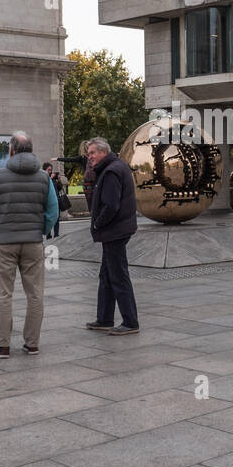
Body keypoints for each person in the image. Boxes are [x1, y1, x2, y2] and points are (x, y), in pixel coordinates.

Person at [0, 131, 58, 358]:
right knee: (35, 294)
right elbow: (53, 211)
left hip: (4, 243)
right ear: (32, 150)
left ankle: (3, 345)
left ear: (12, 150)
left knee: (3, 295)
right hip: (33, 243)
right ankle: (32, 343)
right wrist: (41, 230)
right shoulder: (44, 178)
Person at [86, 136, 139, 335]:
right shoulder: (115, 167)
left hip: (114, 232)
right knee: (107, 276)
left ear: (103, 152)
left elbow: (110, 205)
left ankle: (131, 322)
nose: (89, 157)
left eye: (92, 153)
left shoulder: (111, 171)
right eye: (88, 153)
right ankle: (105, 319)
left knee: (118, 276)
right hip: (116, 231)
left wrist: (98, 224)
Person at [42, 162, 69, 239]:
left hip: (56, 200)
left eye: (51, 170)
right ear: (44, 170)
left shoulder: (54, 178)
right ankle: (48, 234)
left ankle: (56, 234)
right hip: (47, 201)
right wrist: (50, 178)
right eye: (48, 170)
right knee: (48, 217)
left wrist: (59, 179)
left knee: (56, 217)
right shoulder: (43, 178)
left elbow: (60, 188)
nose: (50, 171)